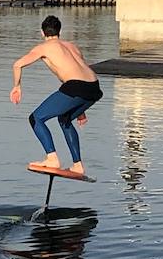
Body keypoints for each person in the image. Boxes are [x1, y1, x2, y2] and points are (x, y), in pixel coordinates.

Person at [10, 15, 103, 176]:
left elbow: (17, 64)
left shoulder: (44, 48)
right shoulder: (72, 46)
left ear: (42, 32)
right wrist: (80, 110)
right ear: (59, 31)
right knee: (65, 119)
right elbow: (78, 74)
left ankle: (52, 158)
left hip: (76, 87)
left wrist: (17, 87)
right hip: (94, 87)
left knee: (36, 118)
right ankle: (78, 165)